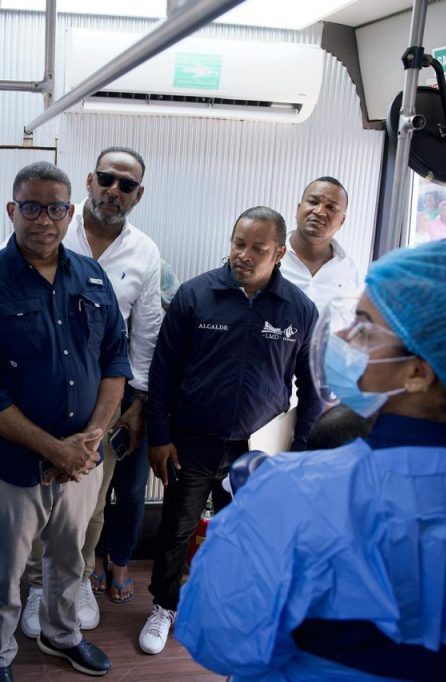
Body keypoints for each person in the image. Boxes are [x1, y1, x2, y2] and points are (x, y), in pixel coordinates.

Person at [177, 239, 446, 680]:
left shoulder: (293, 492)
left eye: (365, 329)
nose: (345, 338)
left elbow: (216, 636)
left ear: (418, 372)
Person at [0, 161, 131, 681]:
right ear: (12, 210)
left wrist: (89, 441)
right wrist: (57, 450)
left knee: (70, 560)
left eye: (55, 209)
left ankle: (61, 635)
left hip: (82, 462)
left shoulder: (92, 276)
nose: (43, 220)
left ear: (70, 213)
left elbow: (114, 363)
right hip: (9, 467)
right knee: (5, 572)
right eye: (31, 207)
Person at [139, 206, 322, 656]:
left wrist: (298, 452)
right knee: (177, 529)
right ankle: (164, 606)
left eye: (258, 248)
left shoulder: (299, 309)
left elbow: (313, 386)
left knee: (245, 535)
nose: (244, 254)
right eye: (239, 243)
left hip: (257, 450)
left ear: (278, 253)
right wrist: (160, 436)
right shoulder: (195, 295)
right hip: (192, 441)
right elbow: (163, 372)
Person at [19, 147, 162, 636]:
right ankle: (37, 586)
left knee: (91, 499)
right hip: (39, 391)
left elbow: (146, 334)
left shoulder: (145, 253)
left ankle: (79, 577)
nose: (114, 190)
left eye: (127, 185)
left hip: (105, 397)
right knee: (38, 496)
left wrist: (137, 404)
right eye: (107, 179)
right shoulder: (50, 223)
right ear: (89, 180)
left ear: (138, 195)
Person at [281, 177, 365, 314]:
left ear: (342, 221)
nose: (319, 211)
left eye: (331, 207)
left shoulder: (355, 277)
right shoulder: (267, 259)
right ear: (298, 209)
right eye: (313, 202)